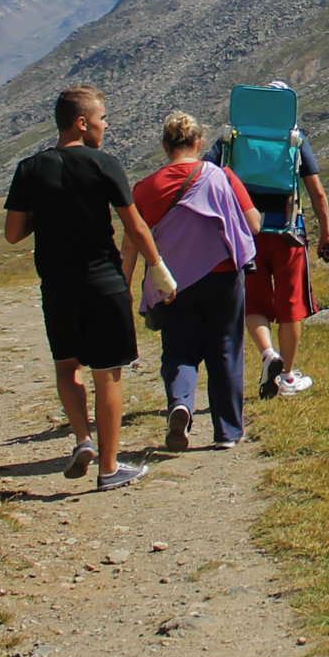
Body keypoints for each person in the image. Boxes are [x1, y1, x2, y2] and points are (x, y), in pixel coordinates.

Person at [3, 84, 172, 492]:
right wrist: (157, 267)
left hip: (58, 286)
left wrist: (43, 217)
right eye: (102, 119)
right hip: (102, 282)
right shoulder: (104, 164)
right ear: (82, 123)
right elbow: (134, 225)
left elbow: (12, 233)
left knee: (67, 366)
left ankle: (82, 439)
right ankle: (110, 467)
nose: (105, 126)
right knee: (108, 374)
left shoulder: (29, 168)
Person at [131, 111, 262, 452]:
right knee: (225, 351)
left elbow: (131, 241)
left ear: (164, 146)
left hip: (172, 283)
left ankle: (180, 404)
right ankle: (228, 432)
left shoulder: (144, 189)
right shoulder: (222, 177)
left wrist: (124, 286)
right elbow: (254, 225)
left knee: (179, 350)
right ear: (199, 142)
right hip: (223, 277)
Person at [207, 78, 329, 399]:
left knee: (255, 302)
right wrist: (326, 234)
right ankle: (288, 377)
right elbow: (317, 193)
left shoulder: (234, 137)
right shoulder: (295, 139)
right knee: (290, 305)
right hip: (288, 233)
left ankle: (268, 355)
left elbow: (205, 172)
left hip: (246, 234)